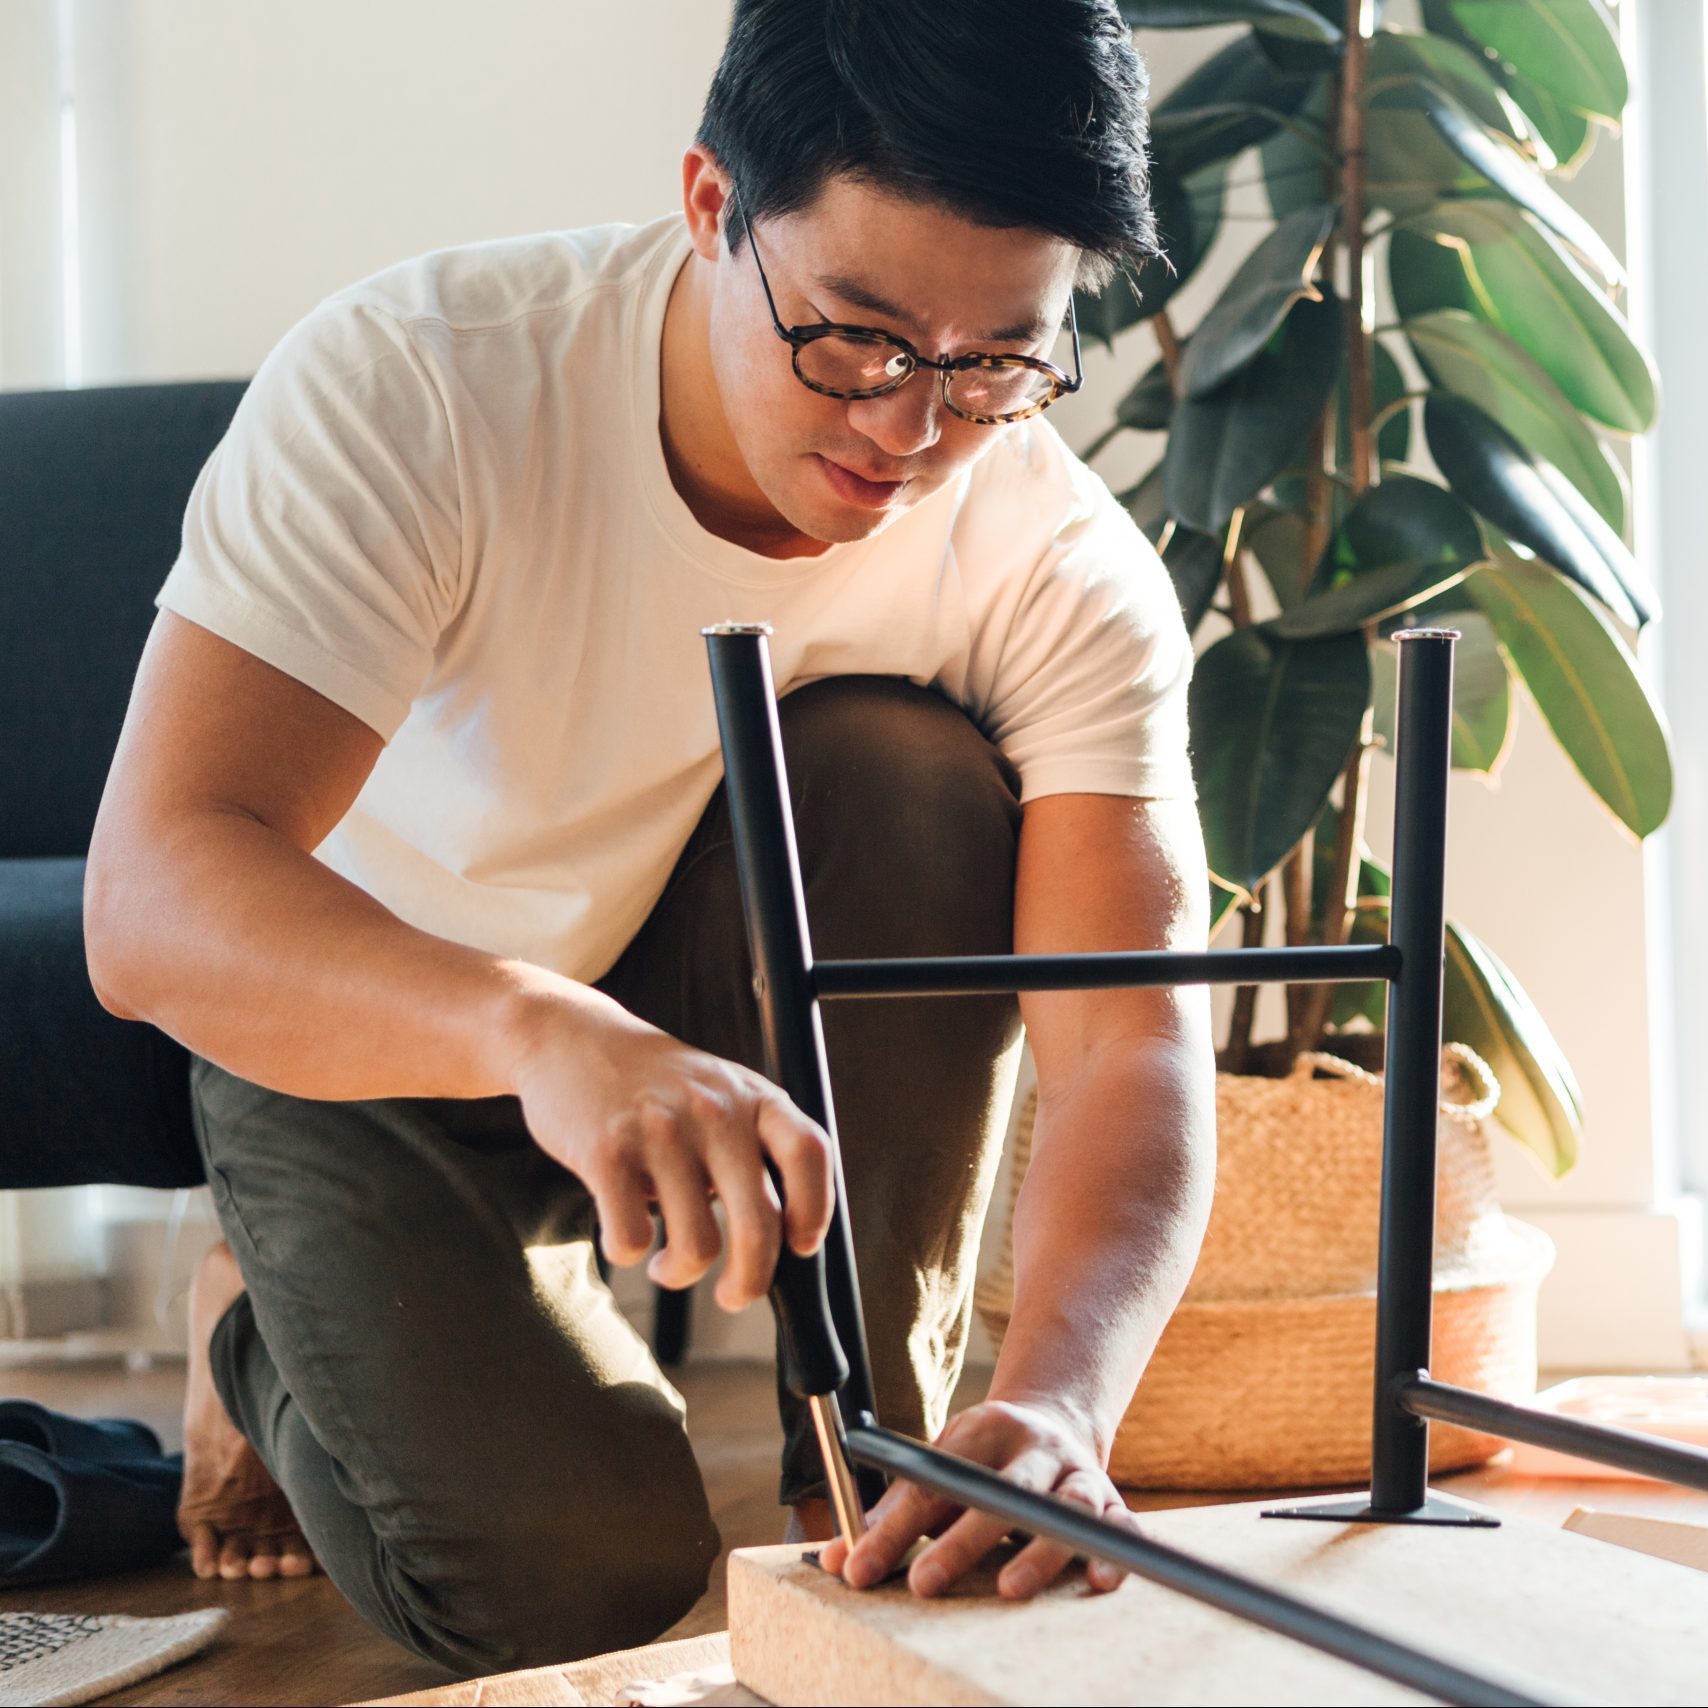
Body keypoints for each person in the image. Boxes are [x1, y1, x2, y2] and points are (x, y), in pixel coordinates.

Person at [83, 0, 1216, 1675]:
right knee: (565, 1586)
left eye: (994, 362)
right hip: (376, 1020)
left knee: (908, 769)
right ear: (708, 205)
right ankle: (254, 1316)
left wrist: (1057, 1401)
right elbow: (155, 893)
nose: (910, 430)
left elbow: (1132, 1040)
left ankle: (872, 1459)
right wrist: (538, 1027)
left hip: (697, 980)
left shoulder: (1055, 559)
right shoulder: (428, 380)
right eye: (855, 336)